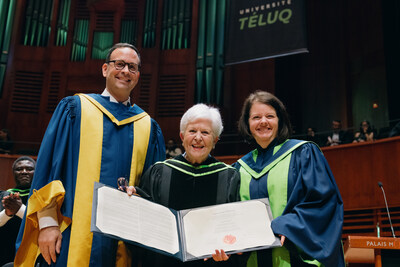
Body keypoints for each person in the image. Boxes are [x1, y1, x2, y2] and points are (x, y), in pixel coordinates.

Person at [14, 43, 166, 267]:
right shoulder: (75, 109)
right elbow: (50, 167)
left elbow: (154, 188)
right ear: (105, 69)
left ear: (138, 75)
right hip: (71, 234)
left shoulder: (147, 126)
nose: (125, 71)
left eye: (132, 67)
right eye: (119, 64)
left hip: (124, 241)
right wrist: (47, 224)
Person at [125, 104, 245, 266]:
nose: (198, 137)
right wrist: (131, 199)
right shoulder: (159, 172)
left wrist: (229, 250)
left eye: (205, 132)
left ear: (215, 140)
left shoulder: (229, 176)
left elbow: (235, 226)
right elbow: (142, 222)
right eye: (192, 131)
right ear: (182, 137)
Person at [234, 91, 344, 266]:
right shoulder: (239, 168)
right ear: (247, 123)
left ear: (280, 121)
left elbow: (324, 202)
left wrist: (287, 225)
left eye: (270, 116)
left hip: (294, 258)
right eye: (256, 117)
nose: (263, 121)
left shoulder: (304, 154)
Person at [0, 156, 35, 266]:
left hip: (33, 250)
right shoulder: (3, 196)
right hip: (4, 252)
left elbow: (42, 224)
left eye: (29, 169)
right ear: (13, 172)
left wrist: (19, 210)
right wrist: (7, 213)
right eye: (19, 169)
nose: (24, 172)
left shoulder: (42, 196)